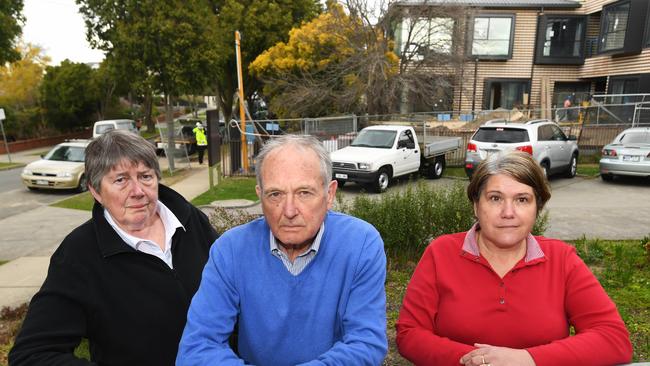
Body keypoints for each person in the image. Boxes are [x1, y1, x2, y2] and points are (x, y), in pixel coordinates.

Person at [396, 150, 632, 366]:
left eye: (522, 200)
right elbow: (410, 334)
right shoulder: (441, 253)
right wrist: (478, 361)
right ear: (476, 205)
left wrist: (527, 359)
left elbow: (613, 338)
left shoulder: (561, 259)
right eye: (495, 198)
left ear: (537, 208)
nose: (508, 213)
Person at [9, 130, 218, 365]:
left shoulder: (191, 221)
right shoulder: (79, 255)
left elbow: (233, 290)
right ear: (96, 191)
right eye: (121, 180)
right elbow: (30, 355)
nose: (138, 191)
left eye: (146, 176)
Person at [176, 134, 388, 365]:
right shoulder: (231, 251)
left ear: (329, 195)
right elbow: (197, 349)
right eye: (275, 194)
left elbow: (366, 343)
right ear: (260, 195)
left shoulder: (360, 244)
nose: (289, 211)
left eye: (304, 193)